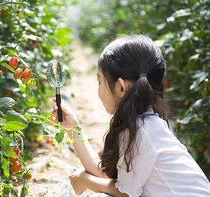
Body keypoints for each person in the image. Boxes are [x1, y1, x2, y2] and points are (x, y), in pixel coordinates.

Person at [49, 35, 210, 197]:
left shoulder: (140, 129)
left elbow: (125, 193)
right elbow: (109, 175)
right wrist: (73, 129)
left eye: (100, 82)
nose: (97, 90)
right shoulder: (145, 123)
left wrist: (84, 180)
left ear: (120, 87)